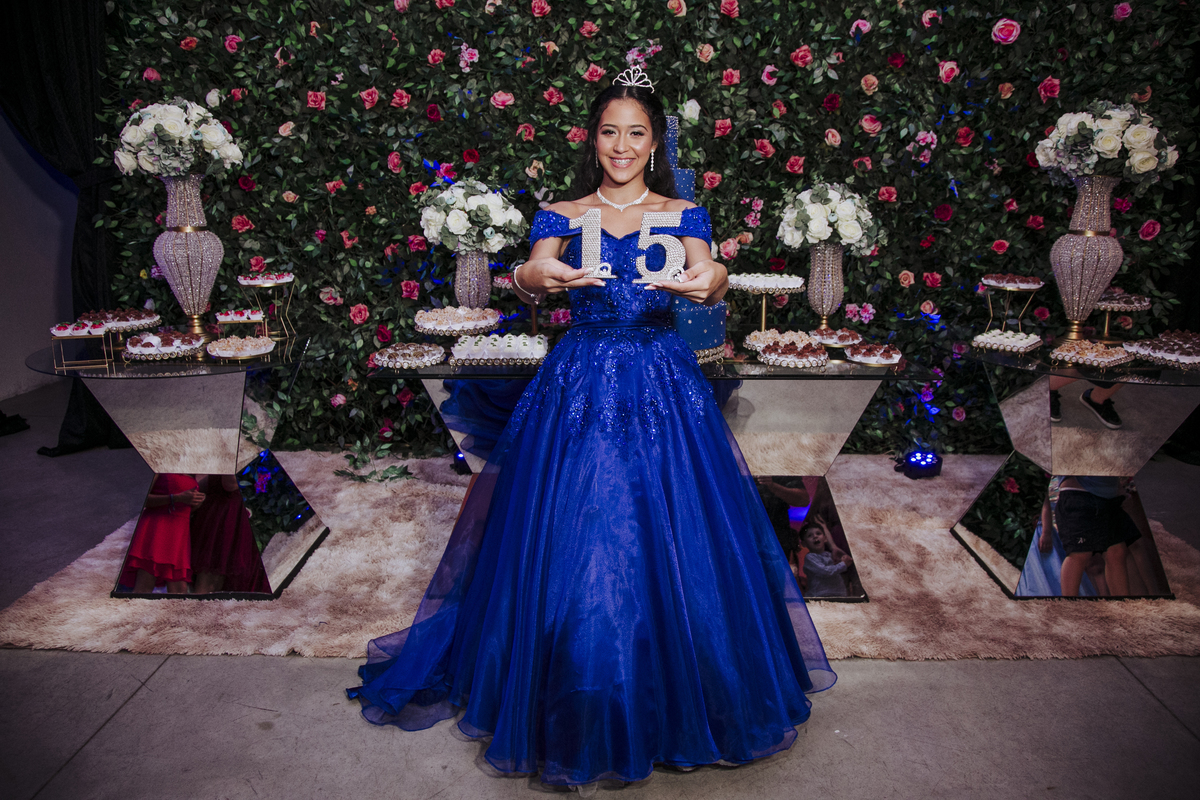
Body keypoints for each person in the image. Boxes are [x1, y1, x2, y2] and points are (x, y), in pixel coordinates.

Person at [347, 66, 835, 788]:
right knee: (577, 530)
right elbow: (530, 273)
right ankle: (575, 683)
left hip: (663, 382)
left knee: (677, 529)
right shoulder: (562, 211)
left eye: (636, 133)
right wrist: (542, 279)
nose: (622, 145)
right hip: (579, 381)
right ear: (593, 138)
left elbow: (709, 275)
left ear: (655, 140)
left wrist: (711, 282)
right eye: (610, 132)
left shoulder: (683, 211)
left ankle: (679, 691)